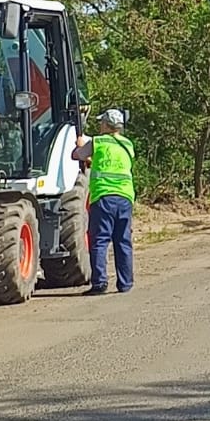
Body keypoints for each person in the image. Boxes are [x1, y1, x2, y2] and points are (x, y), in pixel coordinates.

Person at [72, 109, 135, 296]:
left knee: (99, 241)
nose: (100, 125)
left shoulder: (98, 142)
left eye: (102, 123)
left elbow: (77, 155)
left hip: (103, 197)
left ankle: (99, 283)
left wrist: (81, 145)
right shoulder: (128, 144)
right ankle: (125, 283)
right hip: (125, 197)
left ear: (107, 125)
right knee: (122, 241)